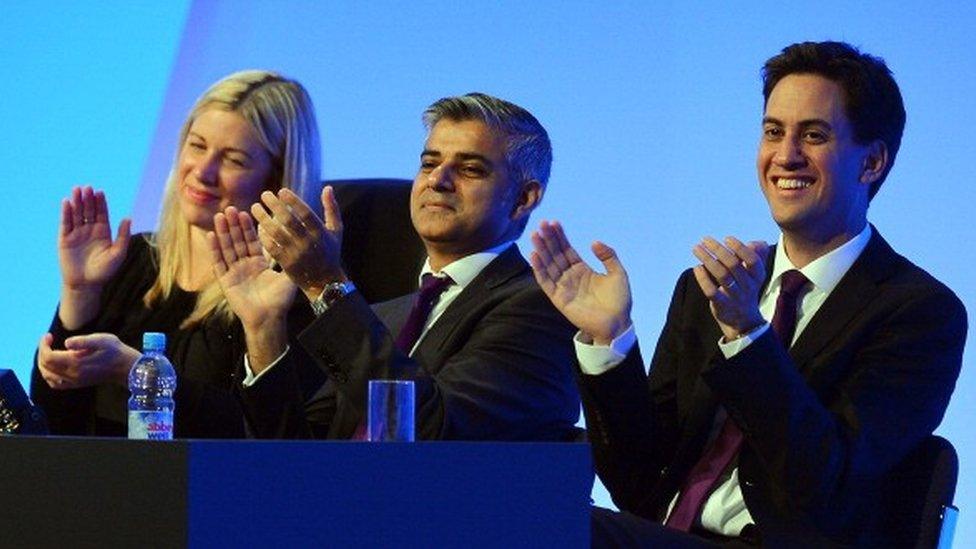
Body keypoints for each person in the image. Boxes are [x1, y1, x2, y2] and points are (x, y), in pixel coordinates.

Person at [530, 41, 967, 546]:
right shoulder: (705, 292)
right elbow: (638, 486)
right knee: (521, 512)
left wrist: (747, 336)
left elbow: (827, 487)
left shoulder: (918, 312)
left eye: (815, 135)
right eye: (773, 132)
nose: (786, 156)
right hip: (669, 536)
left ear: (871, 163)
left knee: (546, 528)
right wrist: (610, 342)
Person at [209, 92, 581, 440]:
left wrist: (325, 284)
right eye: (429, 163)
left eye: (469, 169)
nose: (438, 180)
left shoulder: (540, 309)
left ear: (523, 198)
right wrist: (264, 330)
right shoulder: (387, 316)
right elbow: (298, 457)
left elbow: (429, 431)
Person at [31, 70, 325, 438]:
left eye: (233, 159)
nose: (203, 171)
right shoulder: (131, 260)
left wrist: (133, 372)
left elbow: (264, 434)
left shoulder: (288, 292)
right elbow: (51, 426)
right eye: (197, 146)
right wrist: (79, 291)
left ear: (275, 179)